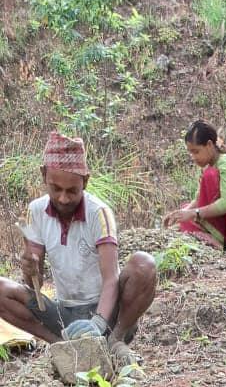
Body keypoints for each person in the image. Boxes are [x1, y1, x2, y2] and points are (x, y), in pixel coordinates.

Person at [0, 131, 157, 356]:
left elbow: (111, 277)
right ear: (44, 175)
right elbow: (33, 282)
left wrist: (98, 324)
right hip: (64, 314)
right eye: (56, 189)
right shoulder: (36, 211)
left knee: (144, 264)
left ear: (85, 181)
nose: (64, 198)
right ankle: (62, 346)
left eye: (72, 191)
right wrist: (30, 270)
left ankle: (114, 341)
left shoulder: (99, 213)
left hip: (109, 312)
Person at [163, 118, 226, 250]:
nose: (193, 157)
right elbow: (198, 200)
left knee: (209, 176)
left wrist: (193, 213)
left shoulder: (225, 165)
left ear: (209, 145)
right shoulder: (212, 165)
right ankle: (212, 235)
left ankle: (219, 239)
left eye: (196, 151)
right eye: (190, 152)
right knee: (185, 212)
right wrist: (181, 214)